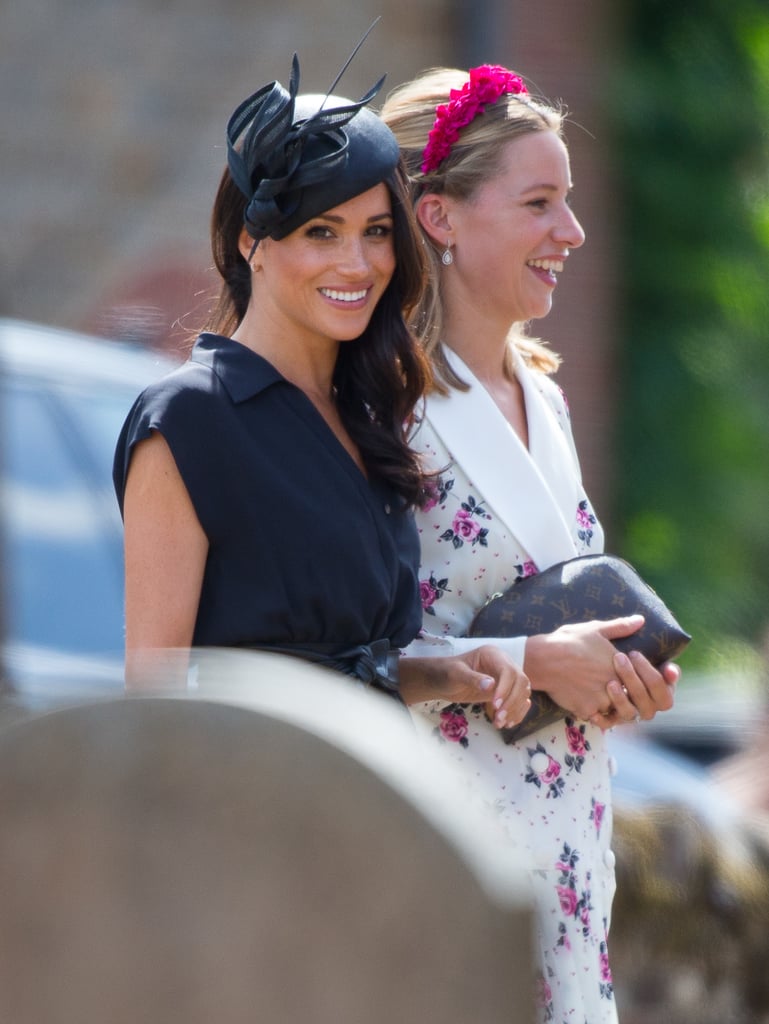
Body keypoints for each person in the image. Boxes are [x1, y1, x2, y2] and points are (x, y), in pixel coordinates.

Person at [382, 65, 680, 1022]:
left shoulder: (542, 396)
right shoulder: (382, 411)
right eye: (540, 203)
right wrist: (536, 660)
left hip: (567, 853)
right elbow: (341, 650)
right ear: (440, 218)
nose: (572, 234)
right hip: (448, 861)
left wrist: (615, 674)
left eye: (571, 202)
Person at [112, 55, 531, 730]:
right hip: (248, 809)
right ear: (253, 242)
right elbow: (153, 696)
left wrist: (447, 672)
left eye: (376, 232)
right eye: (321, 232)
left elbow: (351, 664)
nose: (356, 264)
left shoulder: (369, 416)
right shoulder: (188, 418)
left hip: (369, 798)